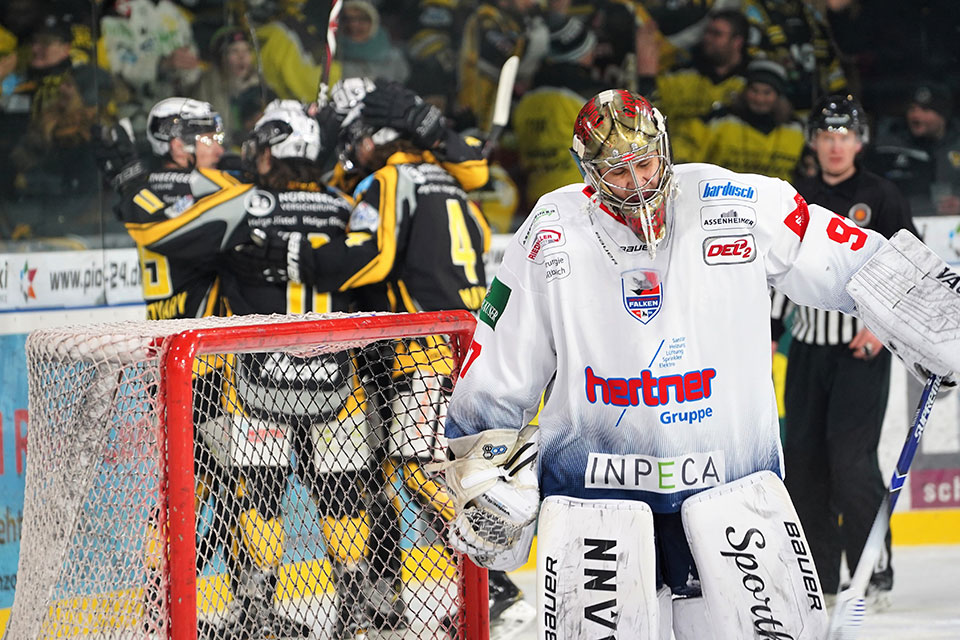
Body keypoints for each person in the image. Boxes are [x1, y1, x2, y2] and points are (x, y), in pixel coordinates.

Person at [438, 88, 959, 639]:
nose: (637, 182)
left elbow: (844, 254)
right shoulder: (550, 233)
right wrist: (482, 469)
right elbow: (497, 360)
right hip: (596, 501)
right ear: (588, 171)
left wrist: (930, 307)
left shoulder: (736, 201)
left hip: (732, 489)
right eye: (617, 172)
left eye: (644, 162)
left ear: (664, 147)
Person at [231, 78, 533, 634]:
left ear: (382, 137)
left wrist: (291, 252)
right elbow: (468, 172)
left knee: (421, 471)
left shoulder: (389, 180)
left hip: (425, 354)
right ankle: (410, 594)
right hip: (463, 345)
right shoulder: (447, 179)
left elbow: (370, 258)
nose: (352, 149)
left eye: (359, 138)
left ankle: (495, 583)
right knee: (416, 469)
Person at [95, 97, 309, 639]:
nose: (220, 143)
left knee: (238, 491)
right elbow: (177, 226)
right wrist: (257, 195)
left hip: (208, 367)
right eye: (207, 134)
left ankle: (227, 607)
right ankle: (167, 605)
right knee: (207, 494)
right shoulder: (161, 190)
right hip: (186, 370)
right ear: (177, 143)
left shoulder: (180, 186)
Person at [771, 94, 918, 611]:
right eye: (827, 135)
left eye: (845, 135)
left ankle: (871, 571)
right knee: (804, 463)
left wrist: (882, 330)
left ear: (860, 141)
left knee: (851, 462)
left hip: (861, 352)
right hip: (808, 351)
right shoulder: (796, 197)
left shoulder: (882, 196)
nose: (836, 145)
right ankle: (822, 580)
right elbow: (776, 270)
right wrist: (769, 331)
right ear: (814, 140)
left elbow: (909, 269)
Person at [635, 8, 750, 163]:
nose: (708, 38)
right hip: (679, 162)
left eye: (717, 34)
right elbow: (650, 111)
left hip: (733, 168)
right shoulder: (681, 75)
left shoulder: (751, 83)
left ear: (737, 42)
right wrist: (647, 79)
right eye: (707, 32)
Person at [699, 58, 805, 181]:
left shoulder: (796, 130)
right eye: (754, 91)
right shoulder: (721, 123)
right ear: (745, 92)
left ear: (778, 96)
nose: (759, 99)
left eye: (767, 93)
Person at [868, 81, 960, 216]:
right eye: (912, 109)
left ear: (942, 115)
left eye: (925, 110)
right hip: (905, 225)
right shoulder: (890, 147)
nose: (916, 116)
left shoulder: (957, 144)